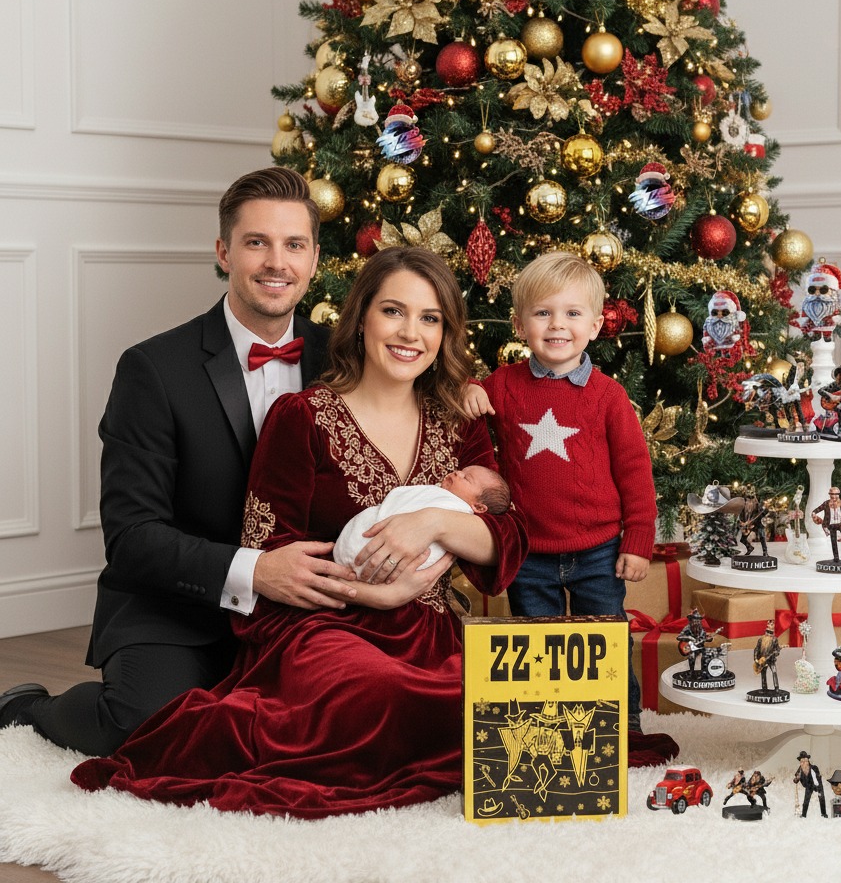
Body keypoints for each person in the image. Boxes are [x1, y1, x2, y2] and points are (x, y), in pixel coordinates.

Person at [71, 245, 529, 817]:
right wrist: (376, 594)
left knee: (503, 702)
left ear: (445, 333)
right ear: (361, 317)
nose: (411, 332)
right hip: (320, 627)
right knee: (376, 691)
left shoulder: (458, 420)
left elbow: (508, 542)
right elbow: (272, 562)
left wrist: (434, 521)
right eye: (394, 311)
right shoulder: (301, 416)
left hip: (430, 628)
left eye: (431, 318)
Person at [0, 167, 364, 756]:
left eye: (294, 244)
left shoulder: (347, 361)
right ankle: (27, 709)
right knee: (145, 727)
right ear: (223, 253)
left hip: (305, 609)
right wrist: (255, 571)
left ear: (316, 259)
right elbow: (132, 536)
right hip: (178, 602)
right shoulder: (152, 370)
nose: (278, 262)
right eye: (256, 242)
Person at [462, 251, 658, 738]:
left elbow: (635, 473)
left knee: (605, 637)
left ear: (595, 325)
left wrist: (637, 542)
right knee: (540, 644)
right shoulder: (504, 385)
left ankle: (622, 724)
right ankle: (548, 725)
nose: (557, 325)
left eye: (572, 314)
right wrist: (466, 387)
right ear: (519, 323)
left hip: (598, 549)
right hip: (528, 550)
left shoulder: (609, 396)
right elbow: (457, 391)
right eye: (543, 313)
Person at [333, 465, 510, 577]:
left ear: (479, 507)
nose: (458, 473)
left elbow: (505, 540)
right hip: (363, 555)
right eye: (461, 471)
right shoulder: (437, 493)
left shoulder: (456, 509)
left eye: (466, 478)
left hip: (395, 564)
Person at [812, 487, 841, 561]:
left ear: (839, 494)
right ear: (829, 494)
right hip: (831, 524)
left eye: (836, 494)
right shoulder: (826, 503)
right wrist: (814, 514)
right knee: (833, 541)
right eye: (832, 494)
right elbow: (816, 510)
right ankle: (836, 557)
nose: (834, 496)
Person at [794, 750, 827, 818]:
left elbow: (817, 779)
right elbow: (795, 780)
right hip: (809, 786)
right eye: (801, 762)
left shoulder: (814, 768)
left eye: (805, 761)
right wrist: (796, 778)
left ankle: (824, 814)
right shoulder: (800, 770)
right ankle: (803, 815)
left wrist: (819, 790)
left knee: (821, 798)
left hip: (817, 785)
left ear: (808, 761)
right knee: (806, 800)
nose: (803, 763)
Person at [752, 619, 783, 691]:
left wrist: (771, 655)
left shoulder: (775, 640)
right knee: (763, 674)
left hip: (771, 660)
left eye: (772, 625)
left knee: (774, 671)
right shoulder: (761, 639)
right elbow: (756, 649)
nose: (769, 626)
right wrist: (756, 658)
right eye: (769, 625)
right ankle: (764, 688)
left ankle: (776, 687)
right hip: (761, 660)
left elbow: (776, 650)